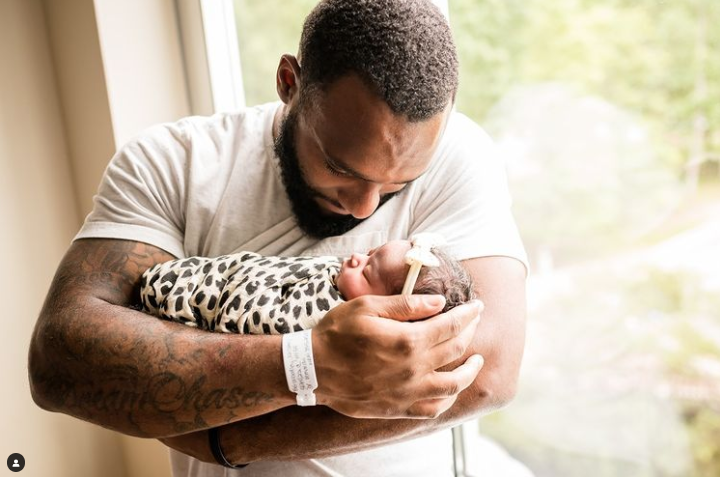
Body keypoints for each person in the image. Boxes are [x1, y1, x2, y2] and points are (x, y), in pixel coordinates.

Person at [28, 0, 528, 476]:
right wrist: (306, 364)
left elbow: (489, 374)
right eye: (339, 168)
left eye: (398, 185)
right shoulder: (169, 162)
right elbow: (61, 360)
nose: (364, 207)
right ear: (290, 82)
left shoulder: (458, 156)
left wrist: (228, 442)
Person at [139, 239, 474, 334]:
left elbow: (260, 320)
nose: (356, 257)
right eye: (370, 252)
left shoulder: (328, 317)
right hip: (199, 273)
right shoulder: (341, 279)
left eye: (368, 271)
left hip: (187, 300)